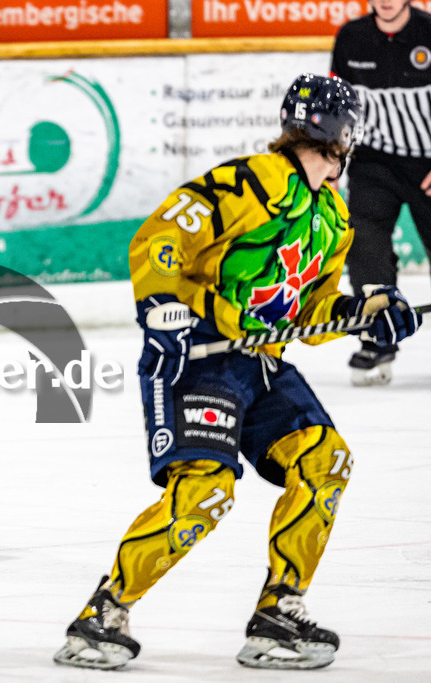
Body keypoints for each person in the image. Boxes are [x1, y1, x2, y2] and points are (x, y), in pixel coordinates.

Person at [53, 74, 422, 671]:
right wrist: (162, 309)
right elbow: (164, 234)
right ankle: (103, 614)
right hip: (196, 358)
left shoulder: (332, 215)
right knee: (205, 493)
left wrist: (365, 314)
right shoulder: (253, 180)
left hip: (261, 364)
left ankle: (279, 612)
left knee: (324, 461)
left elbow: (307, 315)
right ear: (345, 134)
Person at [331, 0, 431, 385]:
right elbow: (340, 105)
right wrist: (333, 159)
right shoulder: (352, 37)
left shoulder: (427, 32)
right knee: (365, 249)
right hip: (374, 162)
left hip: (427, 166)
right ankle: (378, 337)